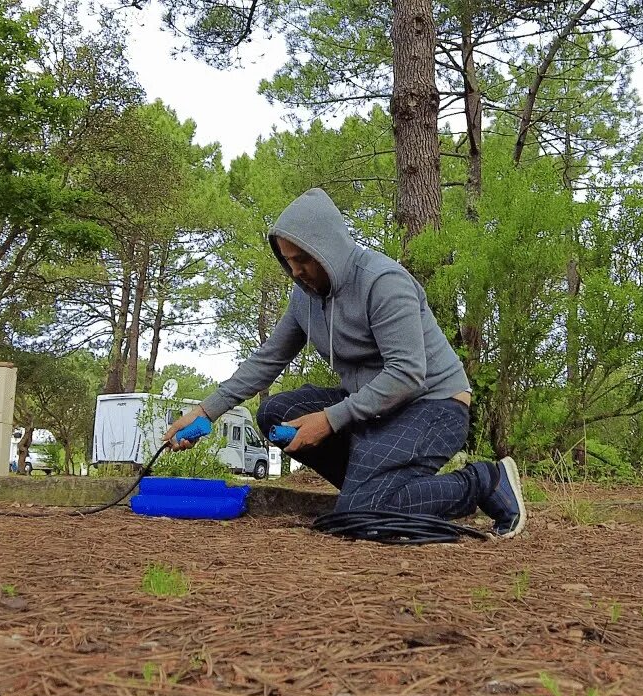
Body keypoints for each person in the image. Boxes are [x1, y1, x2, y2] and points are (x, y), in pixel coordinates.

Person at [163, 188, 525, 538]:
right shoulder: (304, 298)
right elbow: (267, 359)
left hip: (434, 406)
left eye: (303, 260)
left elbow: (407, 374)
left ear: (327, 247)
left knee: (356, 514)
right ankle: (375, 492)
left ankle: (485, 481)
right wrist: (206, 411)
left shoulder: (383, 283)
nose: (296, 271)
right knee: (275, 413)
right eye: (288, 261)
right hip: (376, 409)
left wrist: (330, 419)